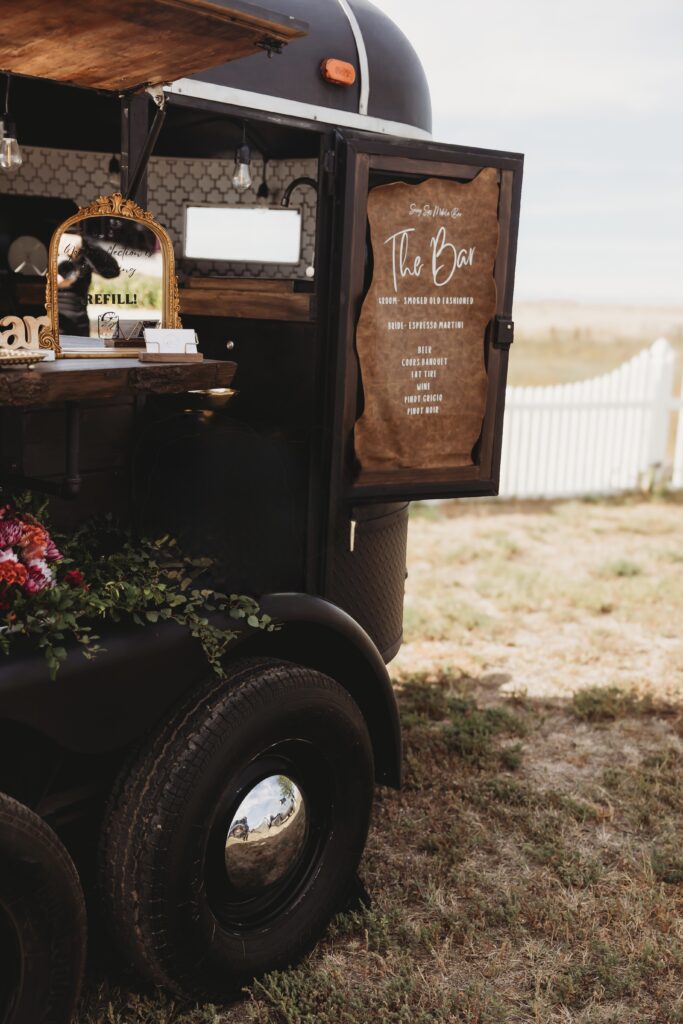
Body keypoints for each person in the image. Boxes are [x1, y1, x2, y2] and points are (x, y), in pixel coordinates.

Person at [57, 227, 119, 337]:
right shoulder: (41, 243)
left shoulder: (82, 245)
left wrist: (84, 245)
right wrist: (50, 283)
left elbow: (112, 271)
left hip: (78, 326)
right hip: (46, 322)